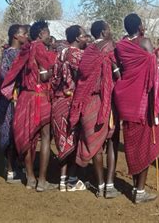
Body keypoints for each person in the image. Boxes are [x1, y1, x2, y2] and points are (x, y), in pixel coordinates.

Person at [1, 20, 57, 191]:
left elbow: (13, 73)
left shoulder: (23, 50)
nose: (49, 36)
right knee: (45, 137)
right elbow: (45, 75)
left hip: (25, 97)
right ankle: (42, 181)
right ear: (41, 33)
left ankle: (30, 178)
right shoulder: (40, 48)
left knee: (27, 136)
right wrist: (54, 69)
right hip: (40, 97)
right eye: (47, 32)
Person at [69, 20, 121, 199]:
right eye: (109, 29)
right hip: (105, 100)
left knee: (94, 144)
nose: (111, 32)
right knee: (112, 141)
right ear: (104, 32)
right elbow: (118, 73)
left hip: (87, 101)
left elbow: (82, 75)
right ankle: (110, 185)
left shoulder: (88, 51)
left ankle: (99, 186)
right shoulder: (109, 47)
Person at [114, 13, 159, 204]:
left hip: (126, 100)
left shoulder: (121, 46)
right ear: (140, 26)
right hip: (143, 102)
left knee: (132, 144)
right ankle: (140, 191)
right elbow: (153, 75)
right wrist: (157, 103)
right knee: (146, 144)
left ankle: (136, 187)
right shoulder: (145, 43)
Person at [0, 24, 29, 183]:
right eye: (24, 34)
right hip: (10, 99)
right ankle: (11, 170)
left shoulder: (14, 53)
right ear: (15, 36)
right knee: (10, 134)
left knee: (15, 133)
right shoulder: (12, 54)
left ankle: (16, 166)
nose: (26, 36)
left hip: (14, 97)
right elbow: (8, 76)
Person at [51, 25, 88, 191]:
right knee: (74, 141)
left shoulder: (60, 53)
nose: (86, 38)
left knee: (62, 141)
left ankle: (62, 180)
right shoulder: (77, 54)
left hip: (58, 101)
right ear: (78, 38)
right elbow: (86, 76)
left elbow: (54, 79)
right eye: (84, 36)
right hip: (71, 102)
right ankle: (72, 181)